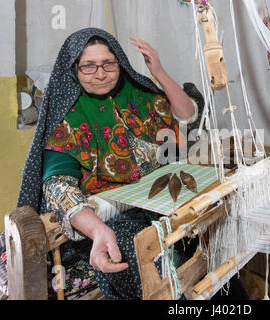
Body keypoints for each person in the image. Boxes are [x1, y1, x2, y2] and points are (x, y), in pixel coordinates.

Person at [17, 27, 204, 299]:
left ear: (120, 63)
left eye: (108, 64)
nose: (101, 73)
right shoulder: (70, 118)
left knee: (206, 233)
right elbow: (58, 186)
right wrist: (98, 229)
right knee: (133, 247)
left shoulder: (138, 94)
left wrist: (159, 72)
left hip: (162, 202)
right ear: (74, 70)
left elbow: (186, 117)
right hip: (114, 217)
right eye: (89, 67)